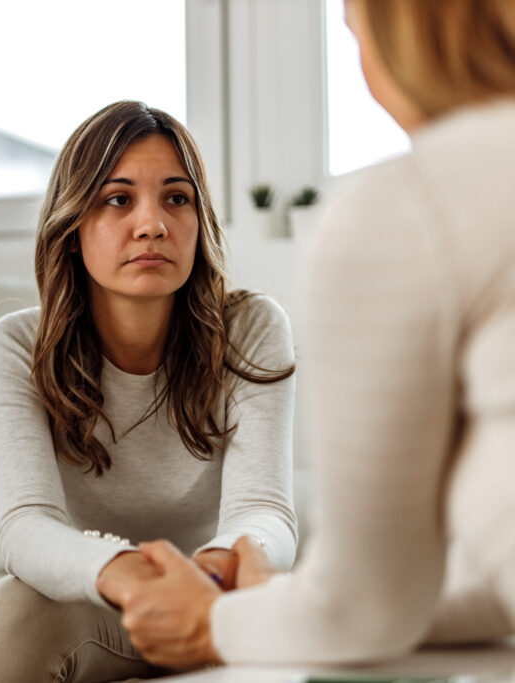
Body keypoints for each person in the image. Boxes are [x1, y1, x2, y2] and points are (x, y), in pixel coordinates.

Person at [108, 0, 515, 669]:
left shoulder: (408, 207)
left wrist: (215, 620)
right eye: (118, 199)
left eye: (355, 31)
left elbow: (367, 607)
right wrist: (278, 606)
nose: (150, 224)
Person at [0, 100, 298, 683]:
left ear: (199, 221)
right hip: (95, 601)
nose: (152, 224)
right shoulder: (15, 345)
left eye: (176, 197)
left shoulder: (253, 329)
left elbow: (263, 512)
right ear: (72, 225)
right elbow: (26, 525)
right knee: (12, 612)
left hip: (216, 604)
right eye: (118, 199)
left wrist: (211, 575)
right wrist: (123, 572)